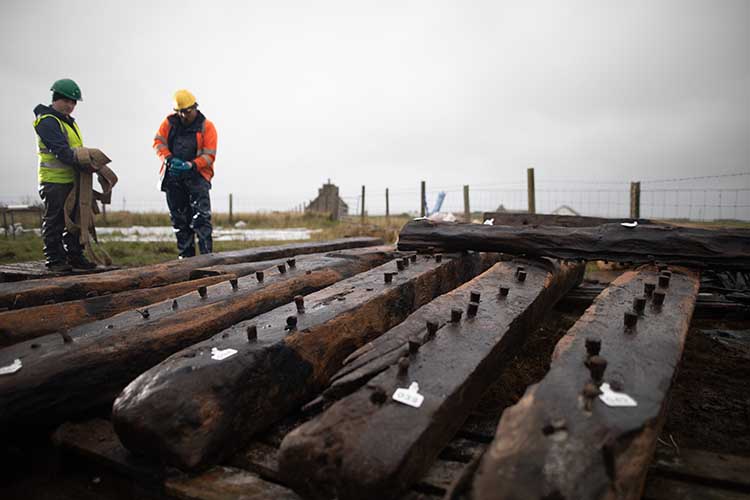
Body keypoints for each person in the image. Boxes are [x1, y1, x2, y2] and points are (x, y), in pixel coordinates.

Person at [33, 78, 97, 271]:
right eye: (67, 101)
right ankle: (54, 259)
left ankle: (75, 255)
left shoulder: (69, 123)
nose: (70, 106)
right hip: (54, 181)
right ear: (56, 99)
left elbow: (74, 149)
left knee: (76, 219)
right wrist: (85, 161)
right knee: (55, 220)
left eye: (73, 102)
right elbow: (61, 150)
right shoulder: (48, 122)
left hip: (72, 180)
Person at [153, 89, 217, 257]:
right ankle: (186, 260)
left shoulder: (206, 126)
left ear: (195, 108)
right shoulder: (169, 123)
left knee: (201, 219)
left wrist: (192, 165)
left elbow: (210, 155)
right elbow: (158, 142)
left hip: (198, 178)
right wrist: (168, 159)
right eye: (180, 112)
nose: (184, 115)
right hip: (173, 178)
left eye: (187, 111)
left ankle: (206, 258)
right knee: (180, 220)